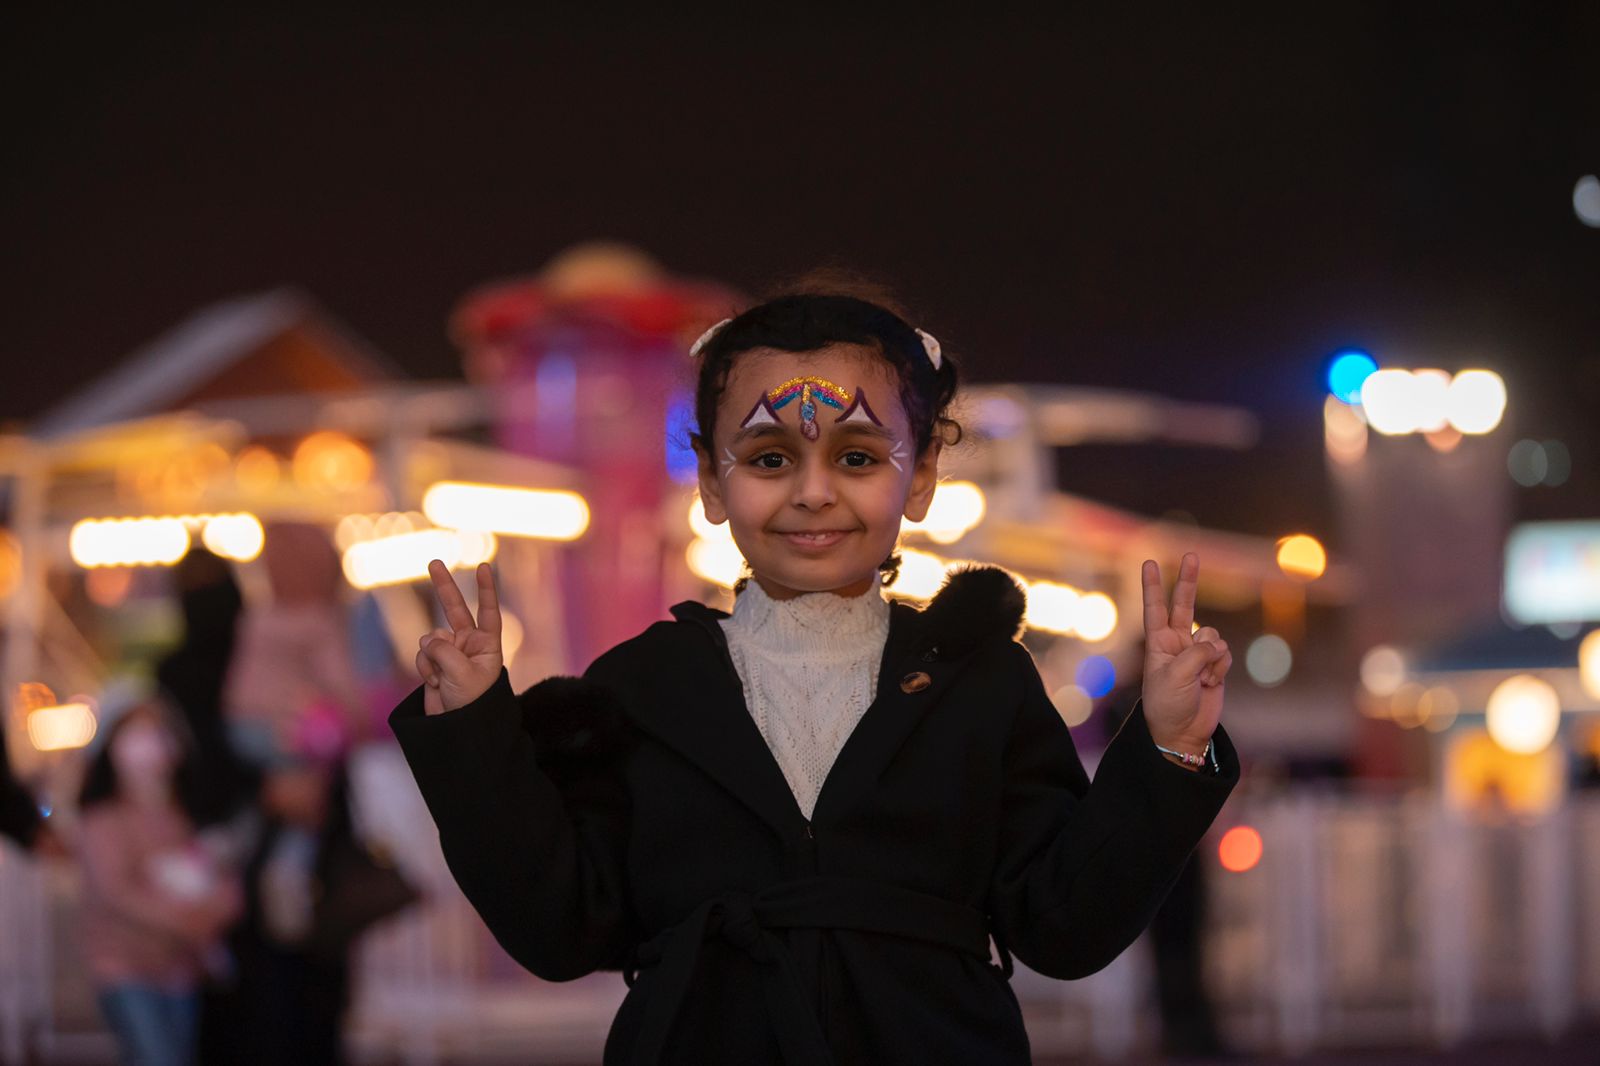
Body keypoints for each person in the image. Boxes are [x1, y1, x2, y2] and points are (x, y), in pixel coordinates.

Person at [392, 286, 1240, 1064]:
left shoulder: (980, 684)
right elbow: (560, 928)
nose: (812, 492)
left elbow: (1064, 927)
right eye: (767, 459)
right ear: (711, 481)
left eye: (859, 458)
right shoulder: (643, 686)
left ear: (925, 475)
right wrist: (473, 732)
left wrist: (1166, 750)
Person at [75, 684, 242, 1066]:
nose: (148, 745)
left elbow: (221, 878)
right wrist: (188, 921)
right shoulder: (103, 820)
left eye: (157, 732)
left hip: (180, 971)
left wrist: (216, 911)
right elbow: (116, 892)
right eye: (134, 733)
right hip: (124, 969)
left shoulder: (184, 817)